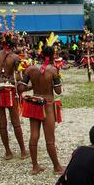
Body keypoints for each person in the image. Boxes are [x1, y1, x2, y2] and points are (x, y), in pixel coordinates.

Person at [19, 44, 65, 175]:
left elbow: (21, 88)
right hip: (48, 104)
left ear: (40, 54)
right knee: (49, 139)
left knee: (34, 135)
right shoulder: (53, 70)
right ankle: (57, 167)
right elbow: (58, 91)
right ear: (52, 56)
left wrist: (33, 86)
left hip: (34, 102)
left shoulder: (30, 69)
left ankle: (35, 166)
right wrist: (57, 80)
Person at [0, 32, 28, 160]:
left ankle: (8, 152)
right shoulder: (15, 57)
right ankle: (23, 151)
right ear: (13, 45)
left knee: (2, 122)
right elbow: (18, 76)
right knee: (15, 122)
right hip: (9, 89)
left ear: (2, 44)